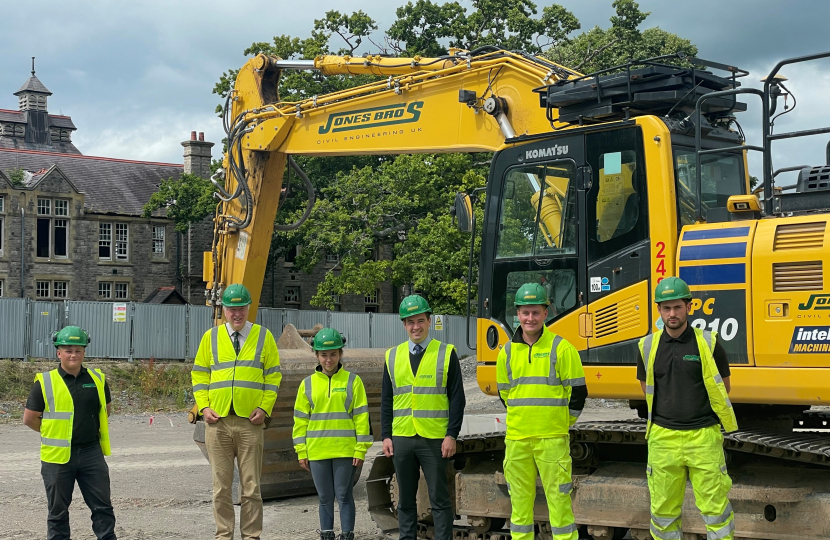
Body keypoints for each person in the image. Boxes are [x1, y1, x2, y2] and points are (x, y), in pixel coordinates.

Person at [637, 277, 737, 540]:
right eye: (666, 308)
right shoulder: (647, 346)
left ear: (689, 307)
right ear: (659, 310)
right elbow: (644, 387)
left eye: (677, 307)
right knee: (663, 513)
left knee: (715, 511)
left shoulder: (709, 343)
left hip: (703, 437)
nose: (672, 313)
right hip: (663, 438)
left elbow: (723, 387)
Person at [496, 283, 587, 540]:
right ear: (518, 314)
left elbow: (578, 394)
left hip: (552, 441)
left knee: (560, 507)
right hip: (517, 441)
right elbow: (505, 394)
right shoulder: (507, 353)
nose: (530, 318)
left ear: (546, 313)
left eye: (536, 312)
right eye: (525, 312)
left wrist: (559, 422)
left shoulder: (562, 348)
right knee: (520, 511)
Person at [192, 283, 282, 540]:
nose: (237, 314)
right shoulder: (211, 337)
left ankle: (251, 536)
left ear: (248, 307)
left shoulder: (264, 337)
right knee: (220, 489)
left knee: (251, 488)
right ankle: (224, 536)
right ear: (224, 310)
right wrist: (204, 406)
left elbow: (273, 375)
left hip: (250, 424)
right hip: (217, 422)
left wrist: (265, 408)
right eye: (232, 309)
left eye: (241, 308)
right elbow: (199, 374)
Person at [381, 294, 466, 540]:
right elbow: (387, 400)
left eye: (420, 320)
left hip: (435, 438)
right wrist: (386, 435)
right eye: (410, 322)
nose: (415, 326)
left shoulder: (446, 353)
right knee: (406, 501)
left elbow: (457, 399)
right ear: (404, 325)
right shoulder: (392, 356)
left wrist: (452, 435)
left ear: (429, 321)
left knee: (439, 499)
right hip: (403, 438)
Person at [22, 326, 116, 540]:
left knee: (102, 507)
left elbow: (105, 410)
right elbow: (30, 418)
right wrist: (54, 431)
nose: (73, 354)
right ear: (59, 352)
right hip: (57, 456)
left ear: (84, 352)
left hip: (91, 453)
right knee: (58, 512)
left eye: (78, 350)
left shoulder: (98, 379)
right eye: (68, 350)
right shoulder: (45, 382)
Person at [293, 328, 373, 540]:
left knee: (344, 495)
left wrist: (360, 448)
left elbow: (362, 418)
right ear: (317, 356)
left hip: (345, 451)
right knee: (325, 497)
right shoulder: (307, 385)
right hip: (317, 451)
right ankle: (327, 535)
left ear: (340, 354)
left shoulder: (353, 382)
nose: (329, 359)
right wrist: (301, 450)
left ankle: (347, 535)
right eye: (324, 354)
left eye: (333, 354)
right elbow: (300, 421)